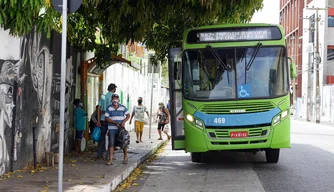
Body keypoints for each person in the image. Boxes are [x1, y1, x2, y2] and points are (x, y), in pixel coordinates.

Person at [105, 94, 130, 165]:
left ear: (119, 100)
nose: (115, 100)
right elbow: (107, 118)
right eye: (113, 99)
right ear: (111, 100)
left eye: (116, 98)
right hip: (112, 128)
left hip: (121, 129)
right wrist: (115, 122)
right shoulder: (109, 108)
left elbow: (128, 115)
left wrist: (124, 121)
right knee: (111, 143)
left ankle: (125, 157)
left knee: (123, 142)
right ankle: (110, 159)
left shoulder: (123, 107)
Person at [96, 83, 117, 159]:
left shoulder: (103, 97)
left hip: (102, 119)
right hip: (111, 120)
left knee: (102, 137)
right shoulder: (114, 97)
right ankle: (109, 155)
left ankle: (100, 153)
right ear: (114, 89)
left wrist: (98, 120)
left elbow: (98, 109)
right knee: (111, 137)